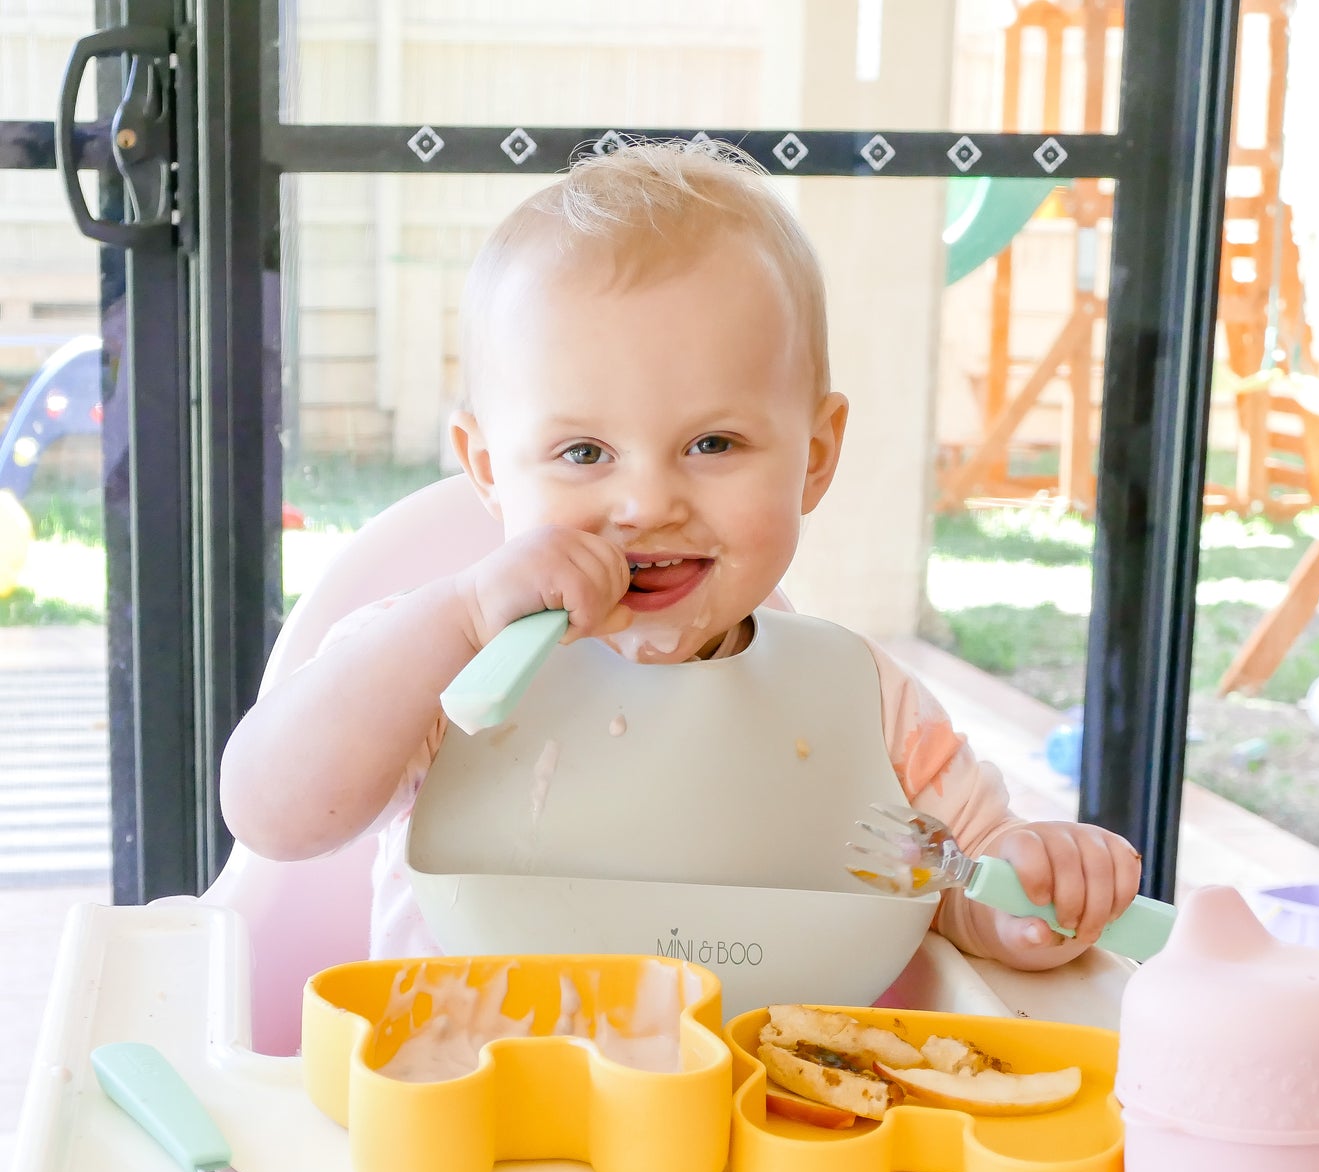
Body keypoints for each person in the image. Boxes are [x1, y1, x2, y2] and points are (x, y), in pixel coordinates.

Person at [219, 139, 1142, 976]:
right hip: (473, 1132)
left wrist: (1032, 896)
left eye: (712, 444)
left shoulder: (863, 708)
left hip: (759, 1141)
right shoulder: (440, 667)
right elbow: (274, 813)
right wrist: (458, 617)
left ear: (814, 456)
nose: (648, 503)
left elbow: (954, 892)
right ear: (490, 470)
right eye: (584, 453)